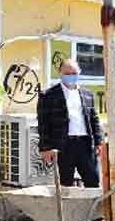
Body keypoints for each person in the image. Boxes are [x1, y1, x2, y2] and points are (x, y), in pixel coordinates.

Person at [37, 58, 103, 187]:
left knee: (93, 180)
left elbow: (94, 119)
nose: (71, 76)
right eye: (67, 73)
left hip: (85, 144)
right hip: (63, 145)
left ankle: (91, 207)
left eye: (74, 73)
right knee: (65, 183)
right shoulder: (48, 95)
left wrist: (99, 141)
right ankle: (68, 207)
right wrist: (45, 148)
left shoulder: (87, 94)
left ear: (79, 73)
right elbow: (43, 124)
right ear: (60, 73)